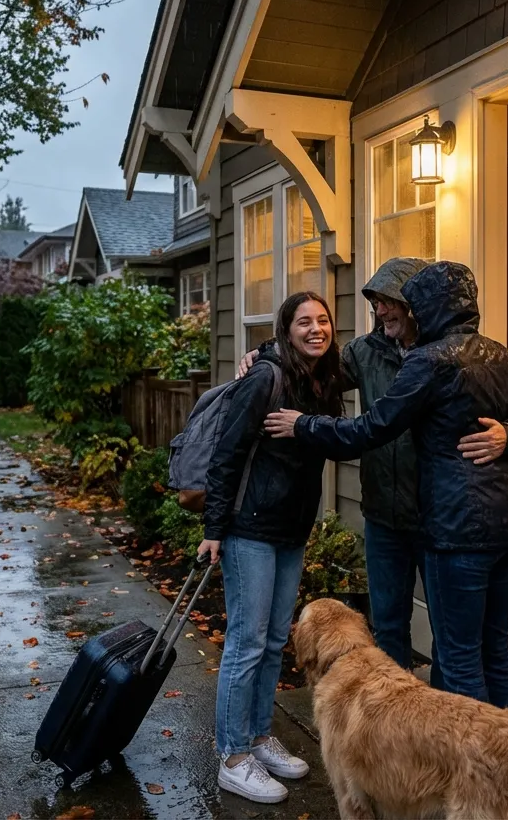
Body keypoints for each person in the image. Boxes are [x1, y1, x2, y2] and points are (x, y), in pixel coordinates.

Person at [263, 261, 508, 714]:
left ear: (418, 306)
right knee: (436, 636)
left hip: (447, 522)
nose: (379, 312)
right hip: (416, 516)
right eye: (375, 304)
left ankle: (464, 756)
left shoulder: (437, 359)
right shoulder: (374, 353)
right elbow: (311, 364)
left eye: (389, 302)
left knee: (456, 653)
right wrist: (266, 356)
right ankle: (407, 730)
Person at [198, 290, 345, 804]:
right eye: (303, 322)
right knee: (246, 641)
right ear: (287, 329)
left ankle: (259, 736)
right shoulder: (267, 377)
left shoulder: (324, 378)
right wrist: (214, 528)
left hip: (291, 530)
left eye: (323, 320)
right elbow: (226, 454)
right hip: (250, 529)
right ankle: (233, 756)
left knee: (275, 642)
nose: (315, 329)